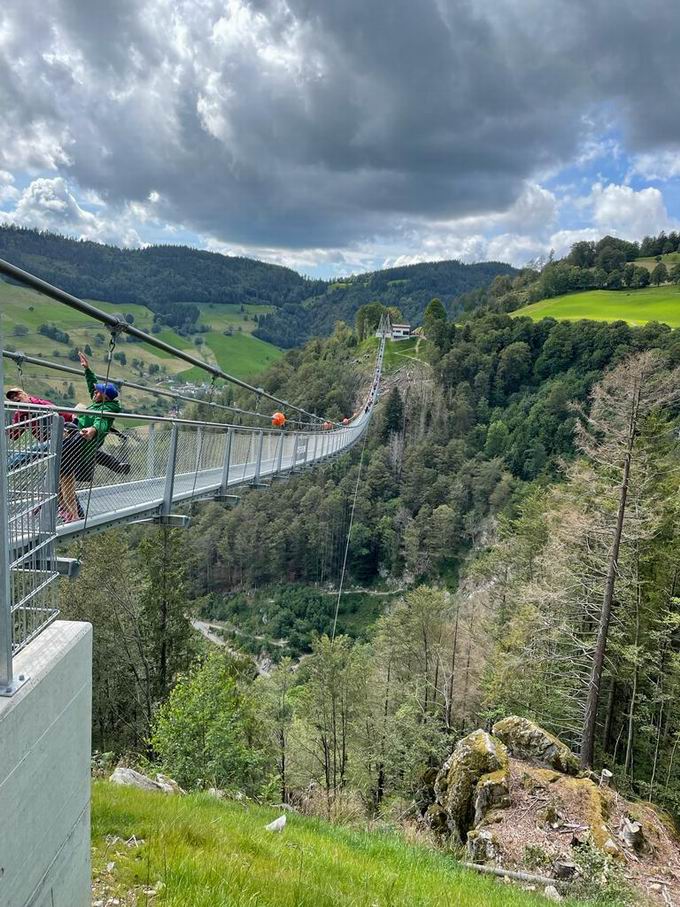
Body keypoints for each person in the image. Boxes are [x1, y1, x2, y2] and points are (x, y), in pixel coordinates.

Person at [58, 352, 122, 522]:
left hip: (81, 445)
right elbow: (92, 385)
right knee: (61, 477)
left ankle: (73, 514)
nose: (95, 391)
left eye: (98, 391)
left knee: (64, 477)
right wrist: (87, 370)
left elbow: (102, 422)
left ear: (105, 397)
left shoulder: (106, 410)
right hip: (75, 440)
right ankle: (71, 512)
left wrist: (93, 429)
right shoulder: (99, 402)